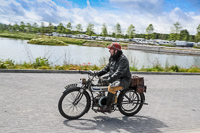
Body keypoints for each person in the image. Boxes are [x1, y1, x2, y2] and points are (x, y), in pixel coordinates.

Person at [96, 42, 131, 112]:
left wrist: (109, 80)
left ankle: (108, 106)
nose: (109, 50)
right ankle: (102, 99)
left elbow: (119, 73)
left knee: (111, 87)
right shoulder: (113, 57)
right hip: (115, 78)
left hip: (123, 79)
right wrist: (98, 73)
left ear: (116, 50)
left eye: (111, 49)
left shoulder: (123, 60)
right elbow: (107, 68)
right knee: (101, 80)